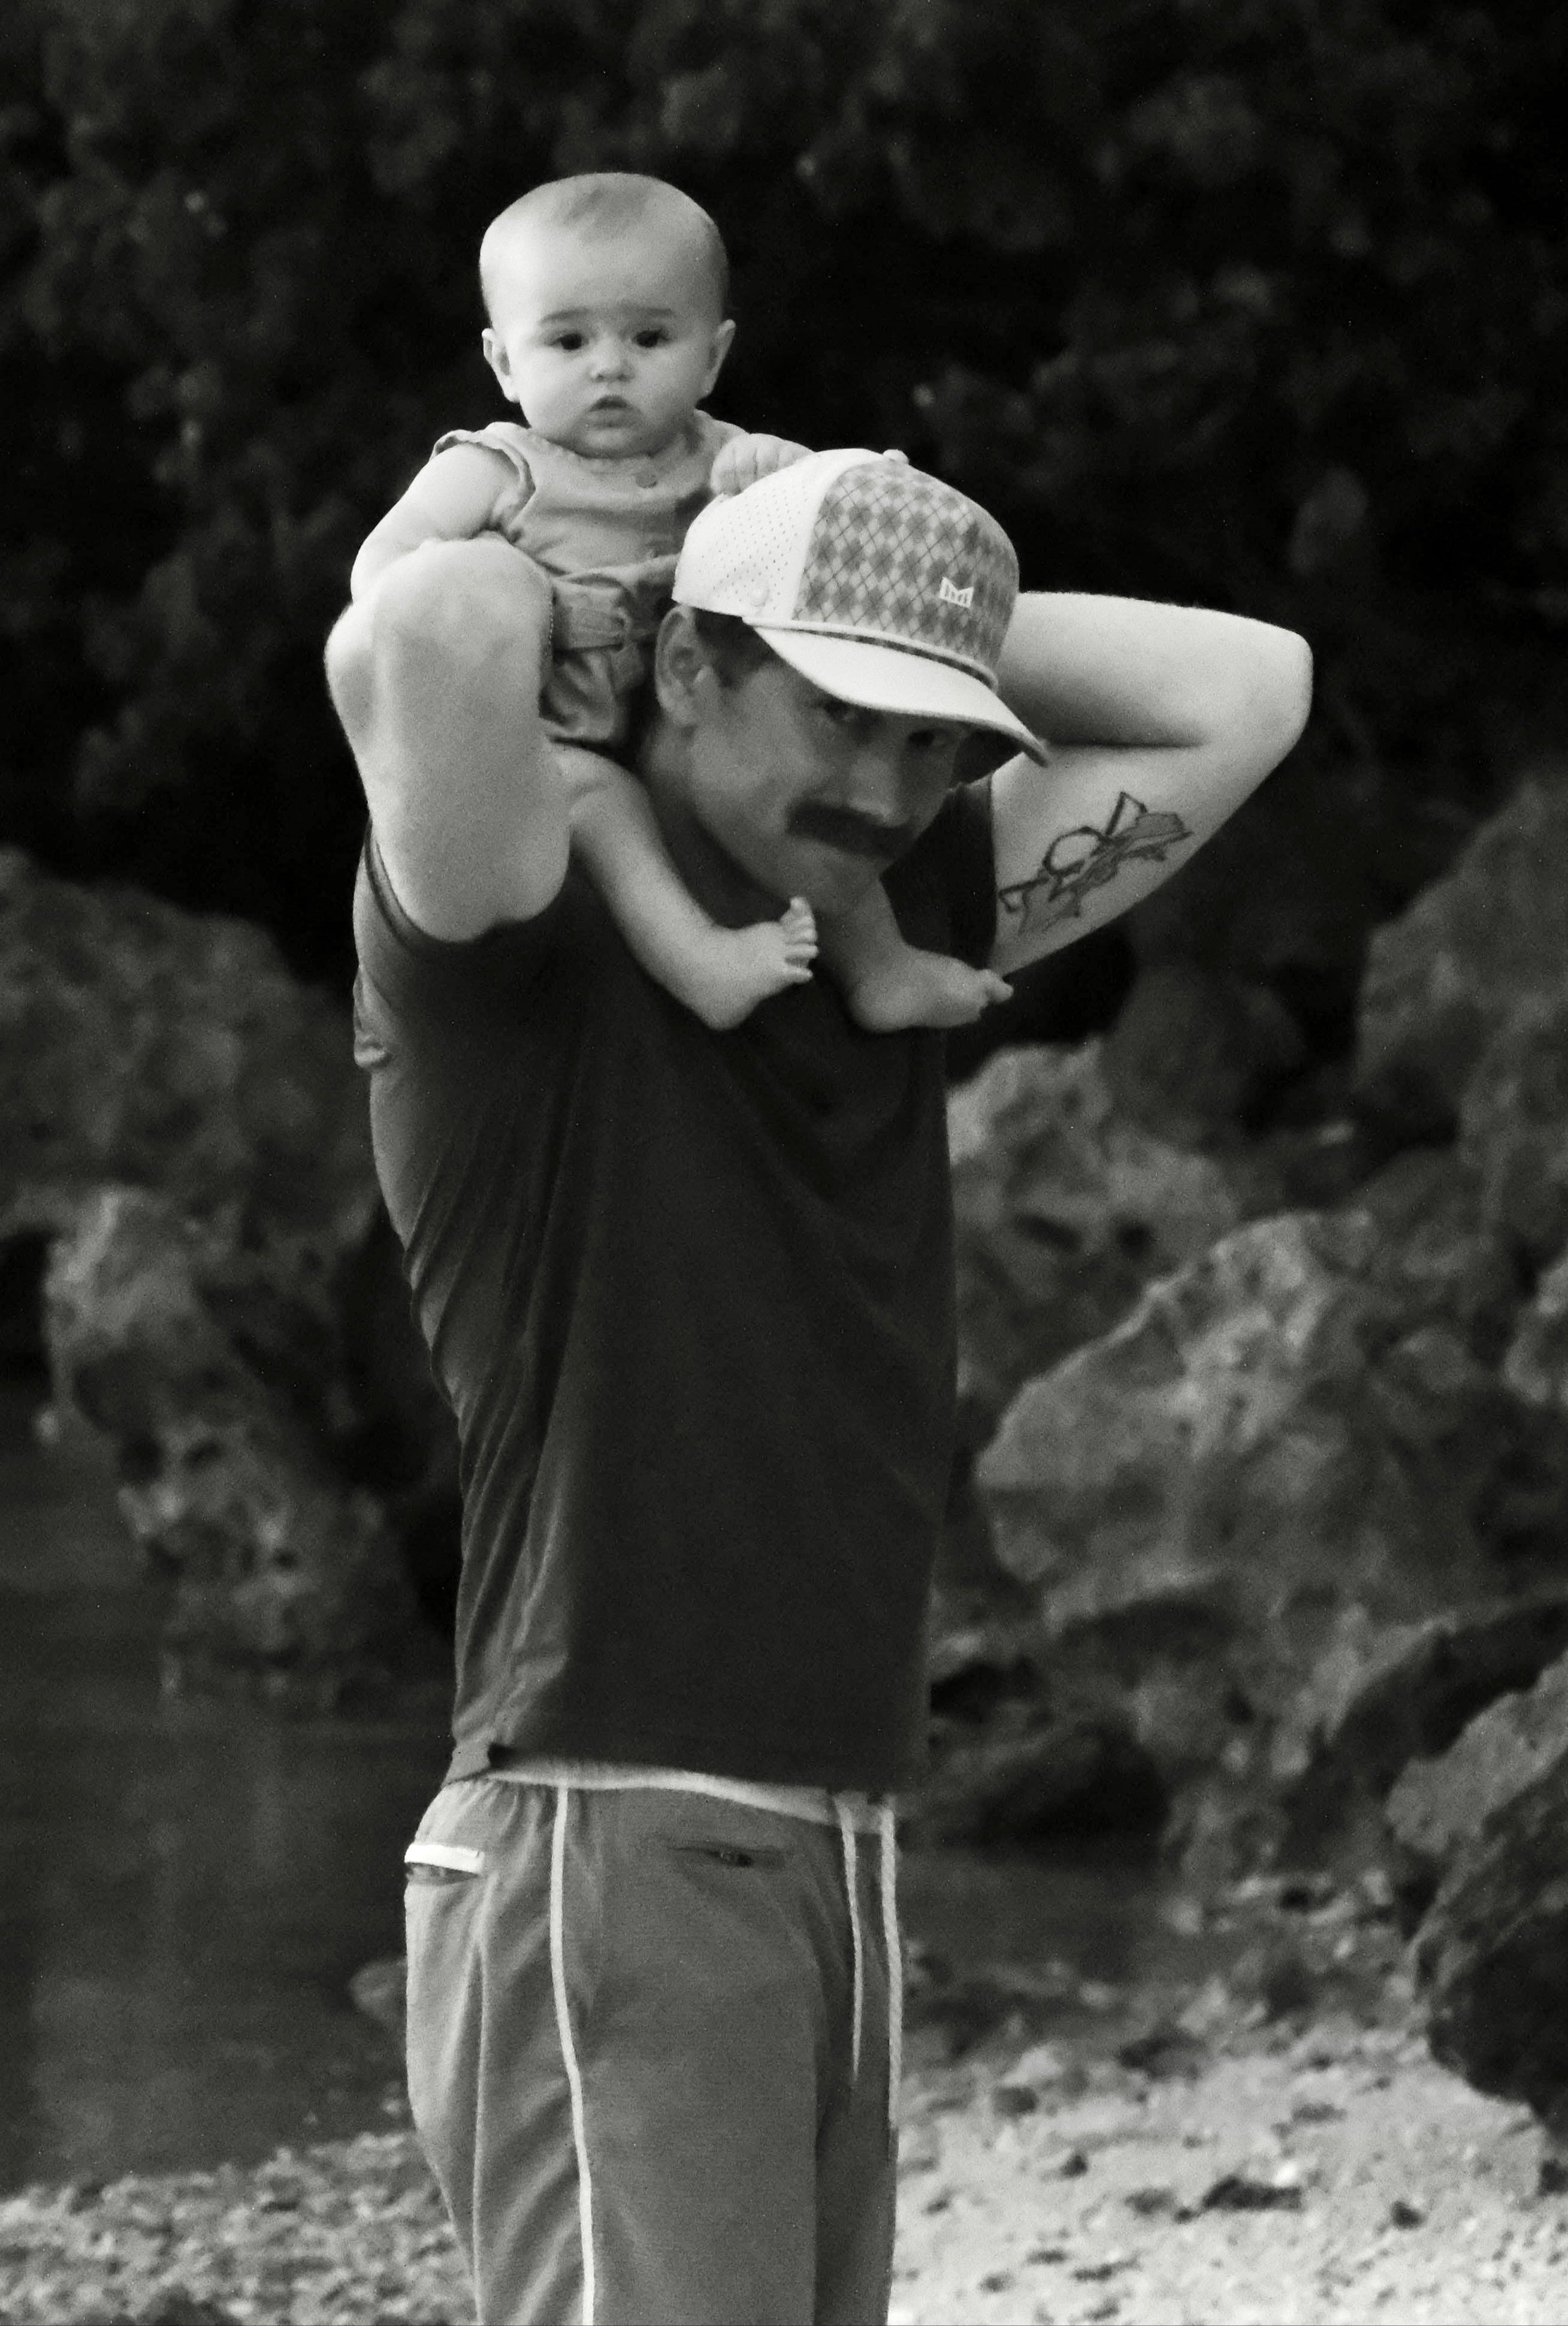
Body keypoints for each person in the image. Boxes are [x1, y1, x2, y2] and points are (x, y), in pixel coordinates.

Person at [326, 436, 1312, 2324]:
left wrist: (910, 606)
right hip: (605, 1818)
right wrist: (648, 544)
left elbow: (1248, 687)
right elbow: (436, 620)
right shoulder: (520, 921)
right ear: (686, 664)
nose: (882, 785)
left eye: (930, 740)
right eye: (837, 713)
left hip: (823, 1822)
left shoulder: (895, 916)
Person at [349, 171, 1016, 1032]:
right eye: (567, 341)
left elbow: (840, 524)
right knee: (605, 809)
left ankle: (882, 969)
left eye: (650, 337)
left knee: (827, 798)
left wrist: (813, 476)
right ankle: (696, 959)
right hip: (556, 743)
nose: (609, 366)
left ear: (712, 357)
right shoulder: (496, 468)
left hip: (693, 726)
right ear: (504, 363)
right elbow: (388, 571)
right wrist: (490, 619)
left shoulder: (730, 456)